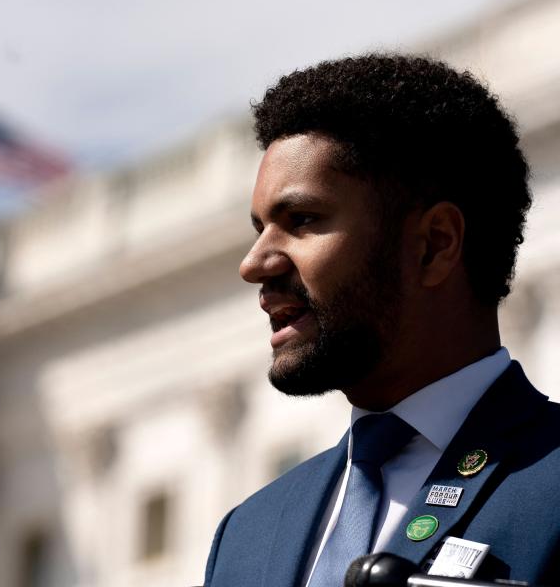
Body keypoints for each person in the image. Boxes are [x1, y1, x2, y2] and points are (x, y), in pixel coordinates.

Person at [203, 54, 560, 586]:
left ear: (434, 245)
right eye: (259, 228)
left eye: (301, 221)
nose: (254, 264)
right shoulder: (246, 532)